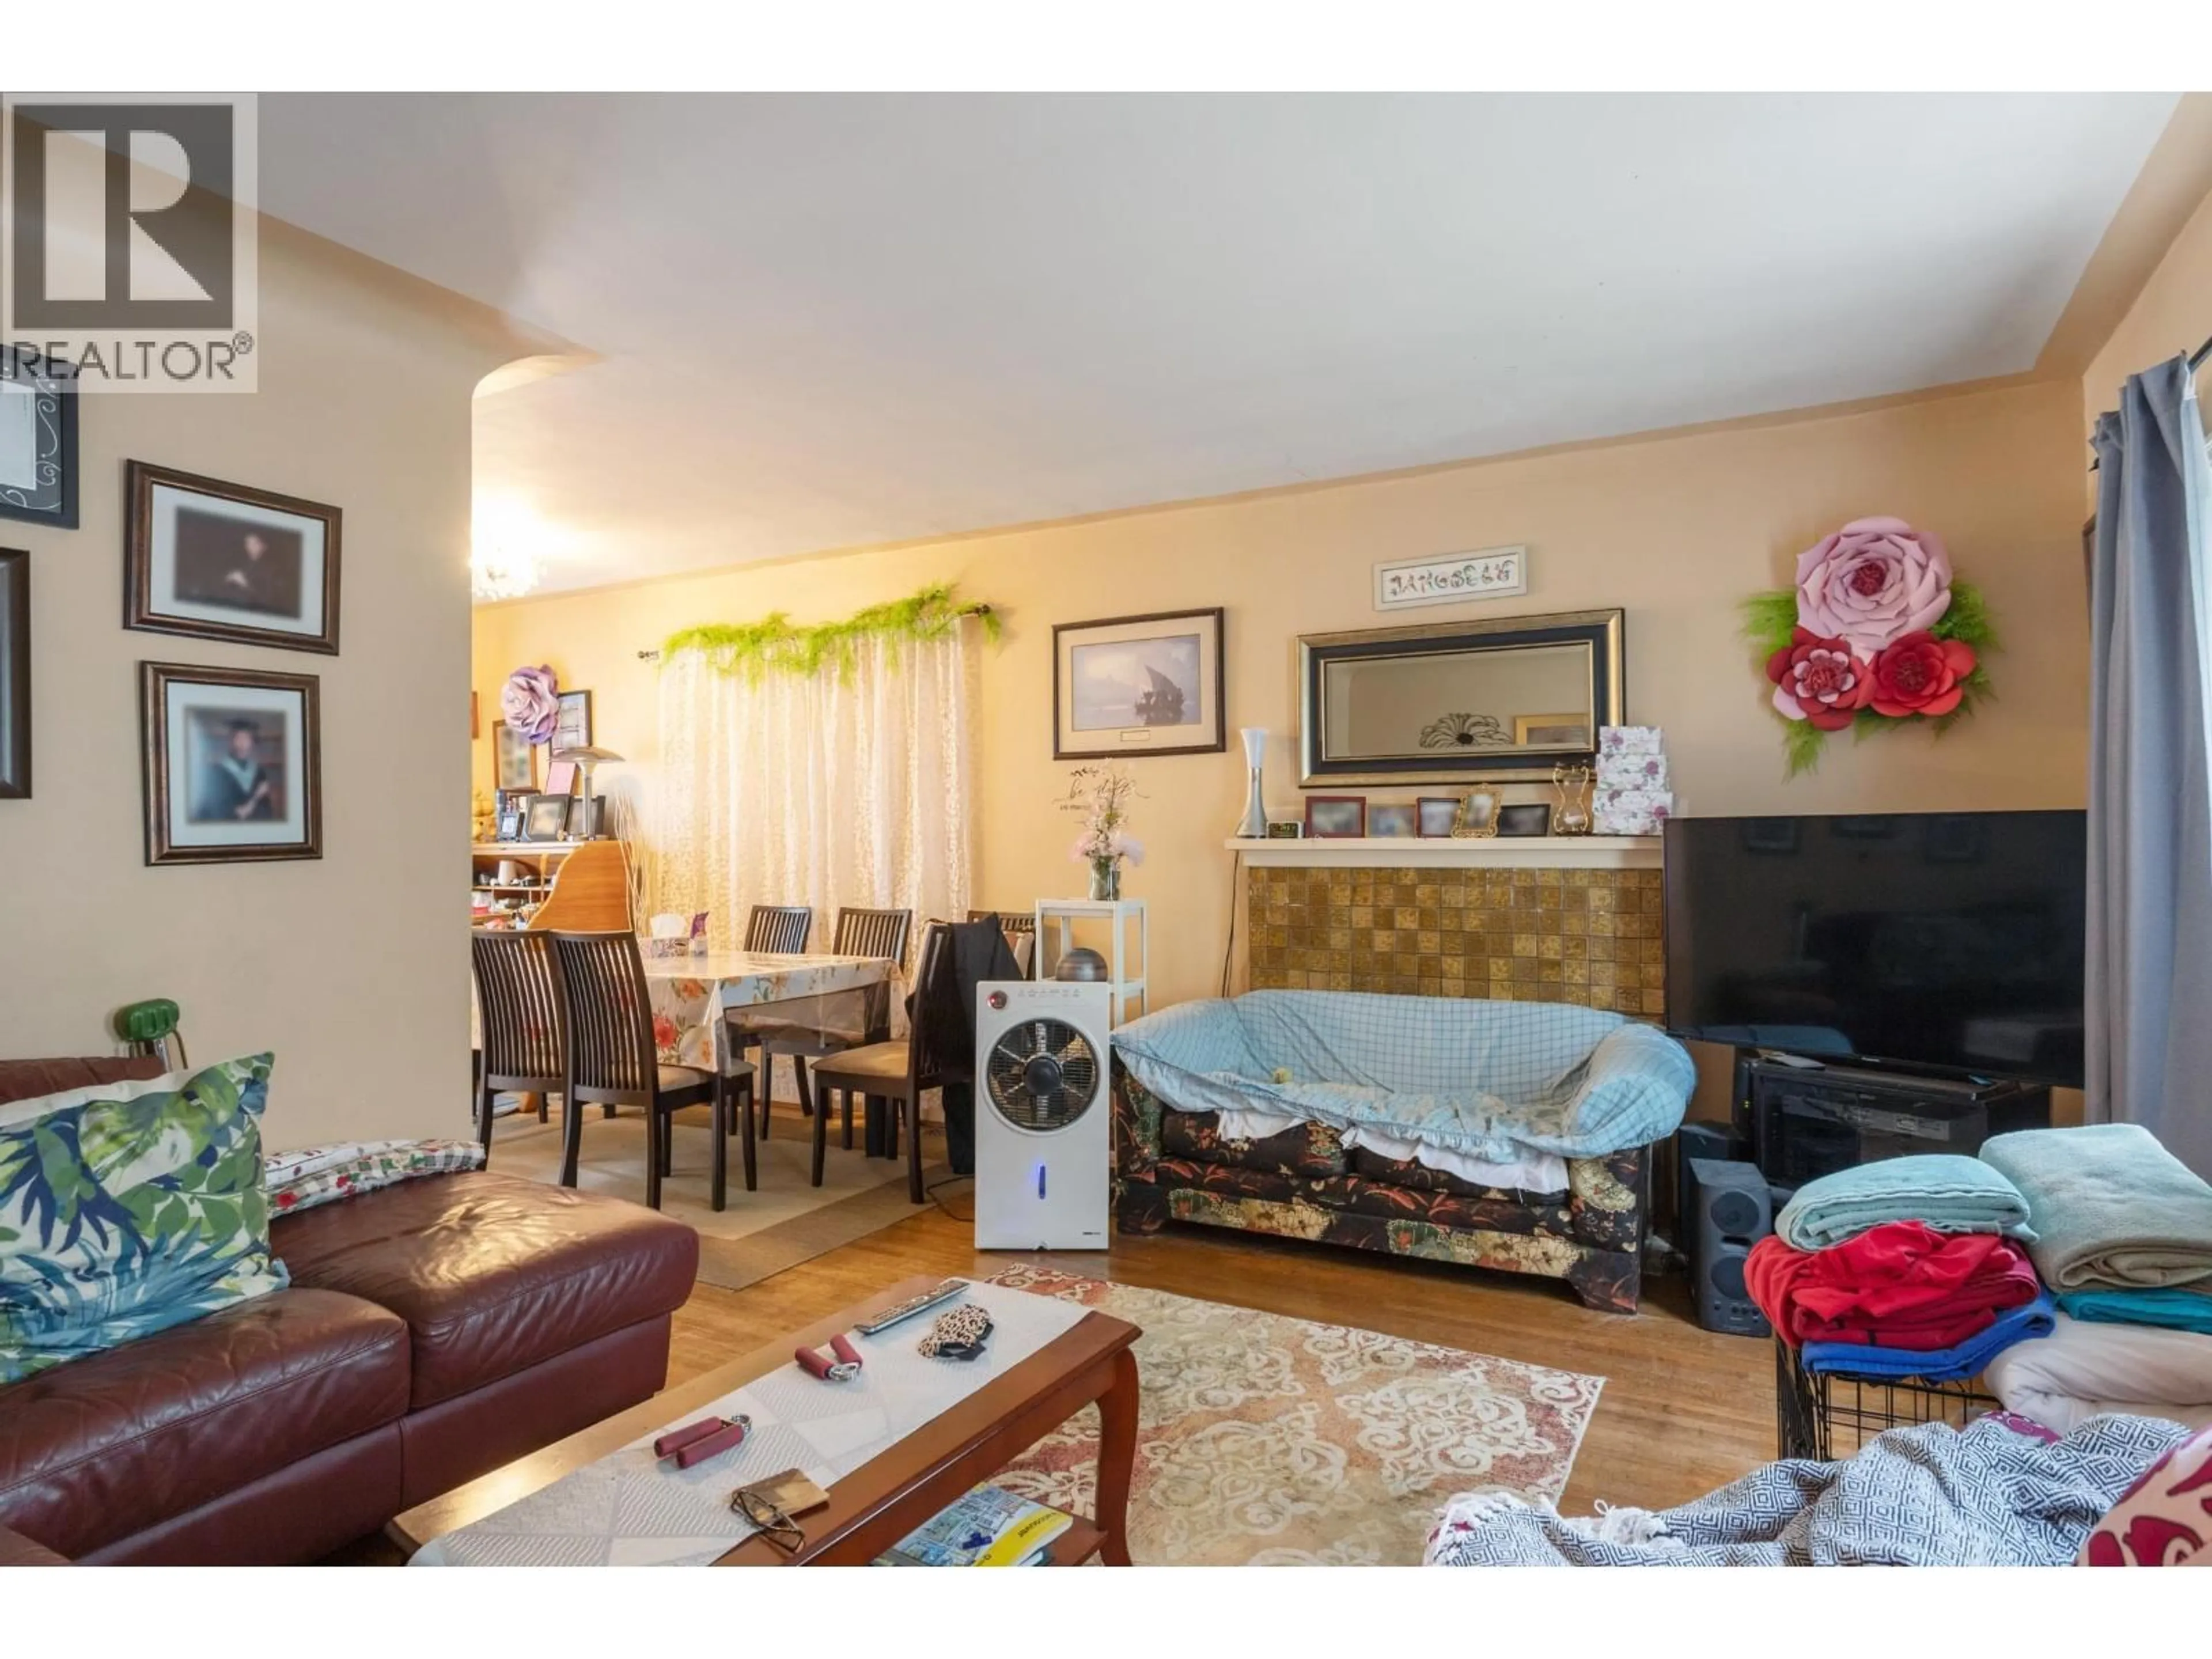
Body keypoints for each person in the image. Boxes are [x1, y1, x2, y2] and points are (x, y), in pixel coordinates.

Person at [198, 718, 275, 821]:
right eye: (238, 738)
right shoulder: (217, 773)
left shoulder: (259, 773)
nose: (243, 744)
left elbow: (266, 810)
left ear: (252, 743)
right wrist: (234, 813)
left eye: (247, 739)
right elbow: (212, 810)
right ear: (231, 741)